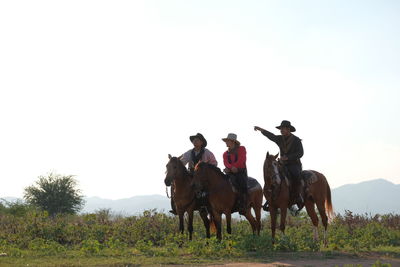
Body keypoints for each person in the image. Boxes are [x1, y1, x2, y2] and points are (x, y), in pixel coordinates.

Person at [254, 120, 304, 212]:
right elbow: (271, 136)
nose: (281, 131)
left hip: (294, 164)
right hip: (283, 164)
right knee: (274, 176)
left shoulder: (296, 140)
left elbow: (300, 153)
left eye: (283, 129)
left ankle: (297, 197)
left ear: (288, 129)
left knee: (296, 176)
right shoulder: (280, 139)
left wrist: (288, 157)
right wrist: (261, 130)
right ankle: (271, 199)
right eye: (281, 129)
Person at [169, 133, 217, 215]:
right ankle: (175, 207)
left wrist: (206, 169)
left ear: (202, 142)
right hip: (190, 174)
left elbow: (214, 163)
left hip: (203, 176)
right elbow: (182, 162)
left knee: (206, 188)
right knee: (174, 184)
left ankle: (206, 205)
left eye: (197, 140)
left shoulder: (207, 152)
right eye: (194, 140)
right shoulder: (189, 152)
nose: (195, 141)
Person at [222, 133, 248, 215]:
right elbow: (226, 163)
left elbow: (242, 160)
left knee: (242, 185)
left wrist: (234, 167)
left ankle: (243, 204)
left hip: (240, 171)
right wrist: (230, 168)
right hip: (230, 171)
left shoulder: (242, 149)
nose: (226, 142)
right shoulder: (225, 153)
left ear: (233, 142)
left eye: (227, 141)